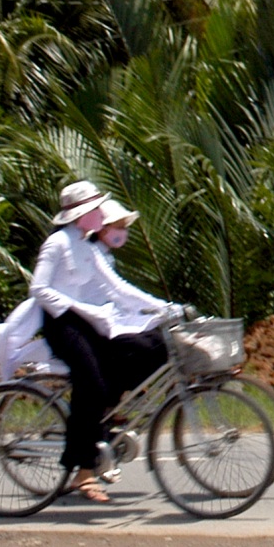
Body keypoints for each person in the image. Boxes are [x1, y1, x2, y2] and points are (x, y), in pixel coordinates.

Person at [30, 181, 172, 503]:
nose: (100, 215)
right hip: (61, 324)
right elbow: (38, 288)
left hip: (87, 321)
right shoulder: (57, 244)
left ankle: (106, 419)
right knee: (91, 386)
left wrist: (163, 306)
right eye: (95, 210)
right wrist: (72, 306)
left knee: (147, 347)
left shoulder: (87, 247)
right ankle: (83, 471)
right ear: (81, 215)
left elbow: (117, 287)